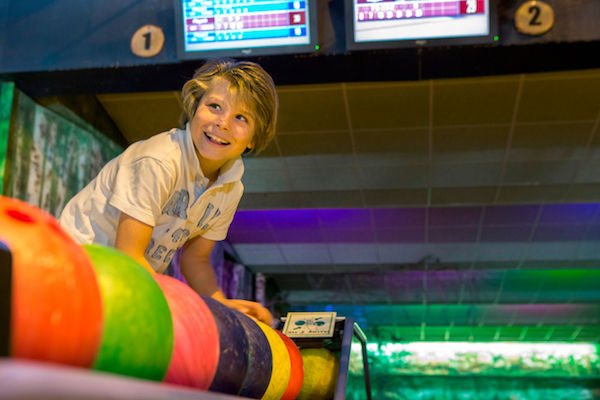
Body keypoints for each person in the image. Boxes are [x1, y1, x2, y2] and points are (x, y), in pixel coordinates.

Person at [59, 59, 277, 325]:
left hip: (123, 278)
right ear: (195, 108)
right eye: (214, 106)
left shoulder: (231, 187)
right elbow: (130, 254)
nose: (222, 123)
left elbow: (195, 259)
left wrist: (220, 304)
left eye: (241, 117)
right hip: (75, 268)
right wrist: (182, 309)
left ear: (254, 138)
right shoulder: (159, 161)